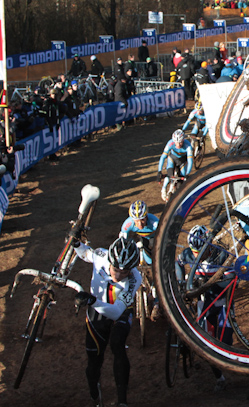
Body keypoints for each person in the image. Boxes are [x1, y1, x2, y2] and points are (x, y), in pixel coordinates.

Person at [74, 237, 141, 407]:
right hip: (96, 312)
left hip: (119, 311)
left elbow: (116, 312)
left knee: (117, 344)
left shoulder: (135, 278)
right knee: (94, 360)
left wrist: (91, 301)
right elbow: (84, 253)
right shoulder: (100, 255)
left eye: (124, 272)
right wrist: (75, 243)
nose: (118, 275)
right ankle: (94, 395)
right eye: (115, 269)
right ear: (109, 260)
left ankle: (122, 401)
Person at [174, 225, 229, 393]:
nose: (197, 255)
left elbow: (230, 282)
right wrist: (181, 281)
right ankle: (219, 377)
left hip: (221, 302)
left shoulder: (221, 255)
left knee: (226, 342)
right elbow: (178, 262)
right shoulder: (188, 254)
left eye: (201, 251)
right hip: (203, 303)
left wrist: (210, 284)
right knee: (208, 343)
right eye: (194, 251)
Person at [118, 200, 160, 320]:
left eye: (142, 219)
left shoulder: (155, 222)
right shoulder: (128, 224)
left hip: (153, 239)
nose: (140, 224)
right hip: (140, 239)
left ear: (147, 216)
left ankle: (156, 296)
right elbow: (122, 241)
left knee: (154, 263)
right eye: (136, 221)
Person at [157, 129, 194, 202]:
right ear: (173, 141)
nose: (178, 144)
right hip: (172, 159)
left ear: (183, 140)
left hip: (183, 161)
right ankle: (164, 188)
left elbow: (190, 161)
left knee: (180, 184)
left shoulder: (188, 146)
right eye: (176, 142)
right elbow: (163, 157)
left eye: (180, 142)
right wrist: (159, 171)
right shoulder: (170, 143)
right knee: (169, 174)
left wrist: (187, 174)